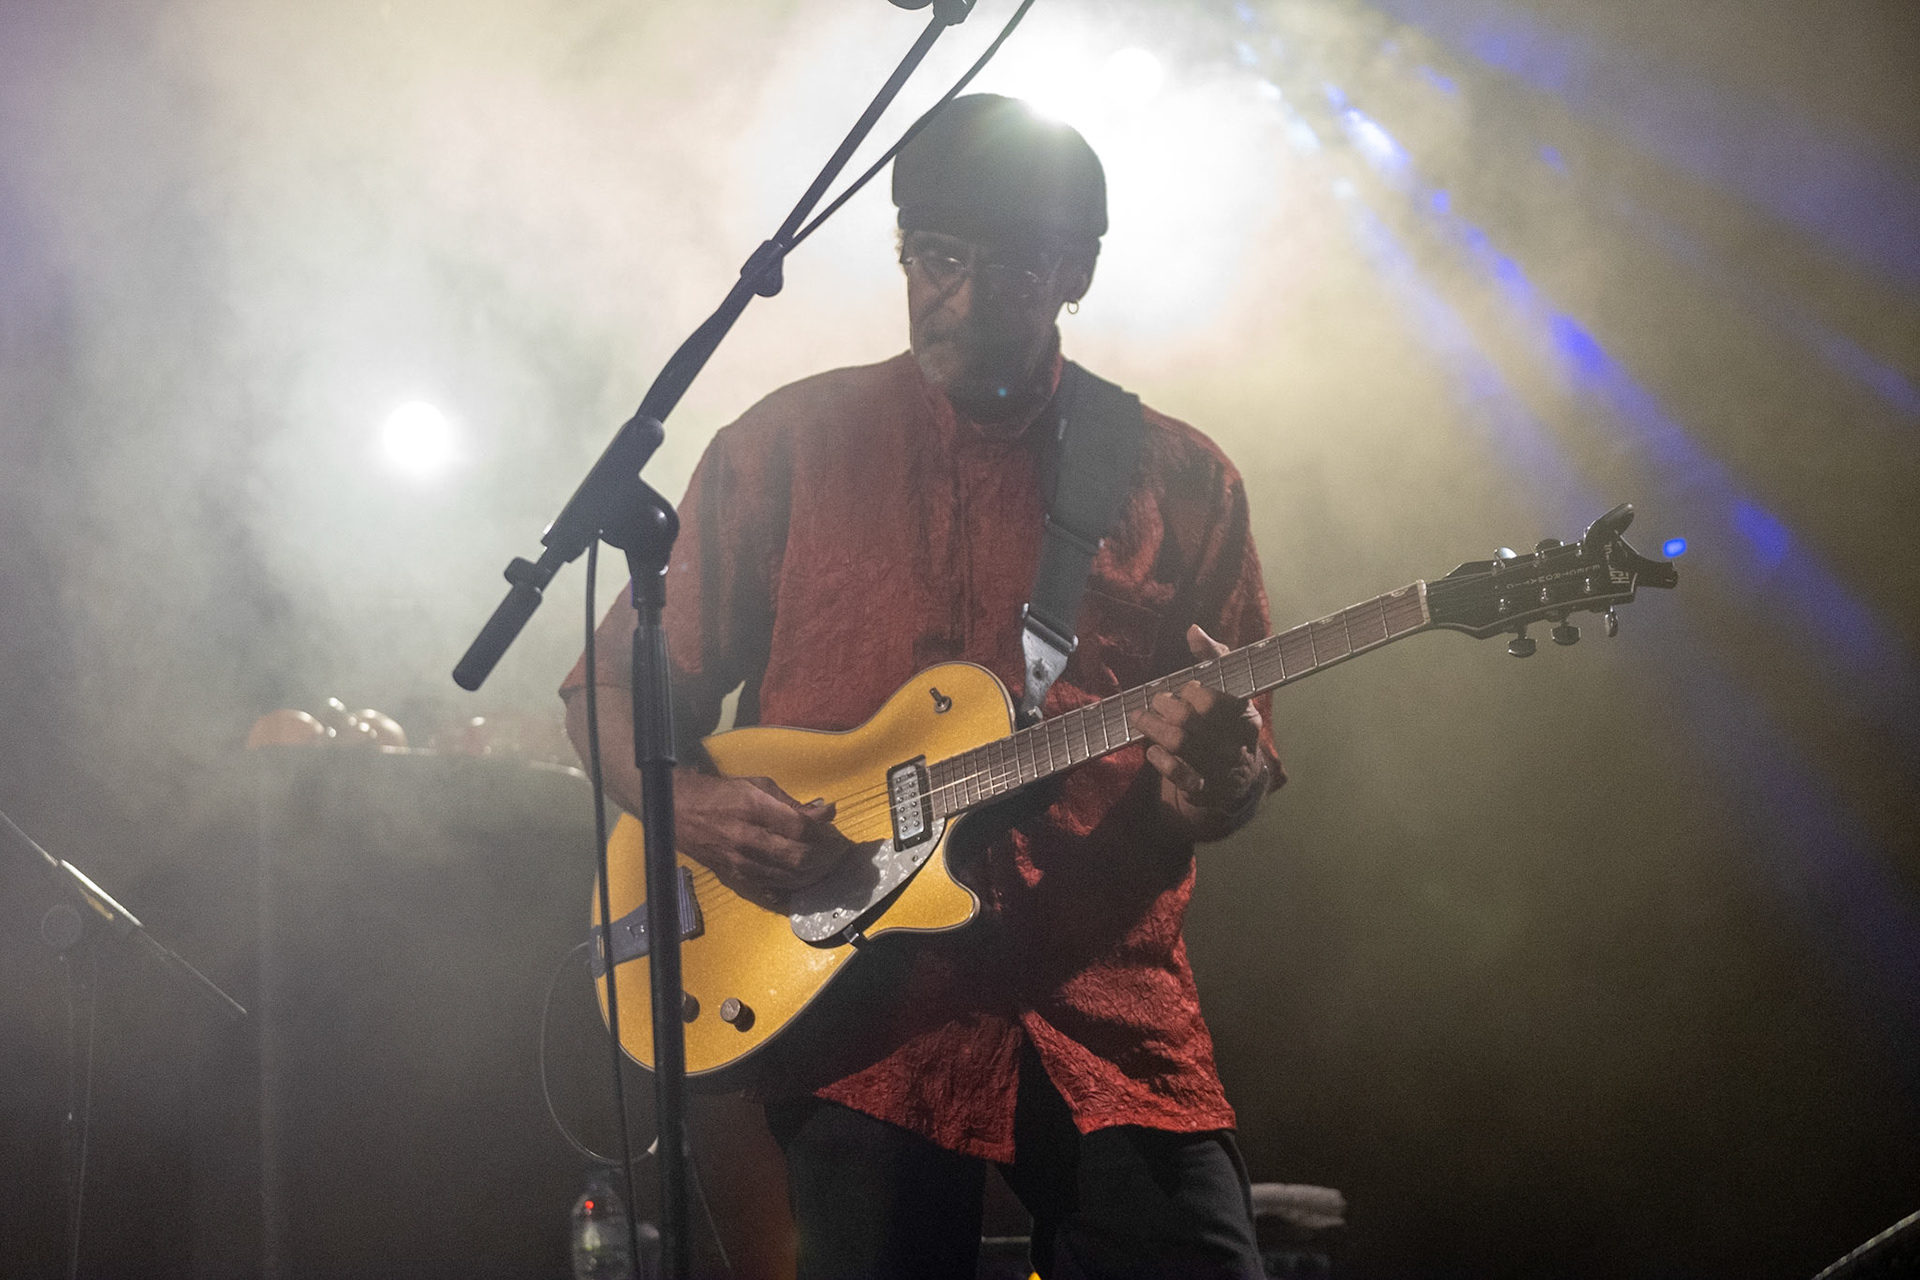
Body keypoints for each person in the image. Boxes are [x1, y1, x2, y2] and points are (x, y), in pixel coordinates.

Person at [562, 94, 1282, 1280]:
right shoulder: (788, 443)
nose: (956, 293)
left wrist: (1222, 776)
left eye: (1005, 265)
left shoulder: (1181, 478)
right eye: (934, 256)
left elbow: (1235, 772)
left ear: (1076, 271)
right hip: (857, 1007)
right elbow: (603, 694)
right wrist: (698, 811)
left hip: (1102, 994)